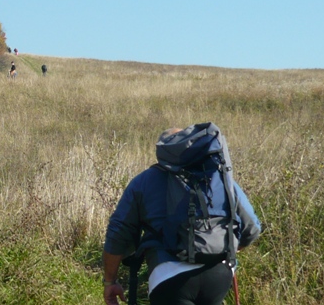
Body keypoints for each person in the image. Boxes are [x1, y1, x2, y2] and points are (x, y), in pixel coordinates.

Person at [103, 124, 262, 305]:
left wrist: (110, 281)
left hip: (169, 278)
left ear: (162, 150)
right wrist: (225, 246)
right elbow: (253, 227)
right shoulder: (218, 177)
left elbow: (118, 233)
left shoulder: (144, 181)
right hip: (219, 273)